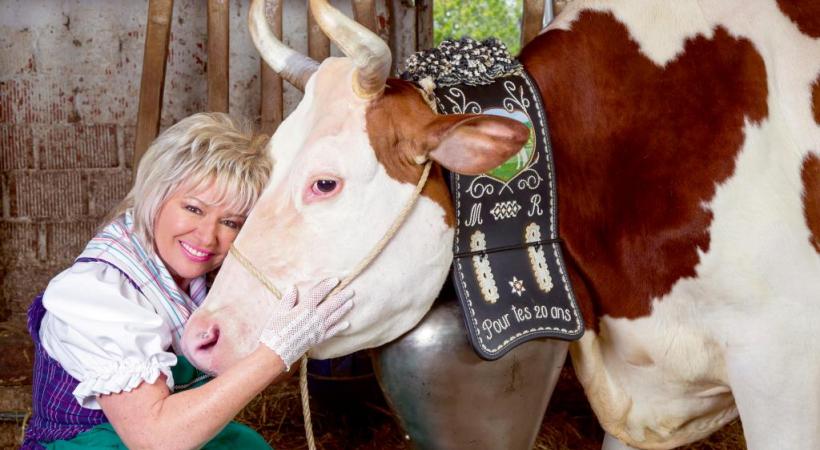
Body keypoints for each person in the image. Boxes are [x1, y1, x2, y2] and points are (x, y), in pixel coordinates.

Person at [22, 112, 354, 449]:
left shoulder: (208, 281)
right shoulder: (97, 292)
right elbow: (154, 439)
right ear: (155, 196)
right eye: (193, 209)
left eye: (231, 222)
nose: (208, 237)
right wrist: (275, 353)